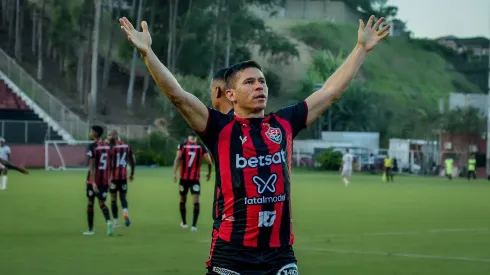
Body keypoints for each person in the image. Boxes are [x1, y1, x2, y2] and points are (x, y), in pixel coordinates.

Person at [119, 14, 389, 274]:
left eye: (262, 81)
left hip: (280, 253)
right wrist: (147, 54)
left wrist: (360, 49)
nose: (259, 86)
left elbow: (329, 93)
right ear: (231, 94)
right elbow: (178, 95)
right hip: (231, 253)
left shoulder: (284, 123)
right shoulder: (219, 129)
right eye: (249, 82)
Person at [173, 133, 212, 232]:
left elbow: (177, 158)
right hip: (195, 179)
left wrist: (174, 172)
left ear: (188, 137)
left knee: (183, 200)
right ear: (196, 138)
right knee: (196, 202)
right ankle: (194, 226)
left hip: (184, 178)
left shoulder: (182, 145)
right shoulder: (201, 147)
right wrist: (209, 173)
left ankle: (184, 223)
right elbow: (209, 162)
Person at [84, 125, 113, 236]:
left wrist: (93, 182)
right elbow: (111, 164)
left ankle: (91, 230)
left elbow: (92, 166)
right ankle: (109, 222)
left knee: (90, 203)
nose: (90, 133)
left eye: (91, 131)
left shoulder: (92, 146)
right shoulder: (107, 146)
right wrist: (110, 179)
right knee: (102, 203)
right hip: (104, 180)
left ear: (95, 133)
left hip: (93, 180)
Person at [107, 130, 135, 228]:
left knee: (113, 199)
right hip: (123, 177)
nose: (108, 137)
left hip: (114, 177)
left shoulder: (111, 147)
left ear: (114, 136)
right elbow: (132, 160)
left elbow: (109, 163)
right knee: (123, 197)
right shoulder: (127, 146)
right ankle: (125, 213)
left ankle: (116, 222)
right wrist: (132, 173)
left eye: (109, 135)